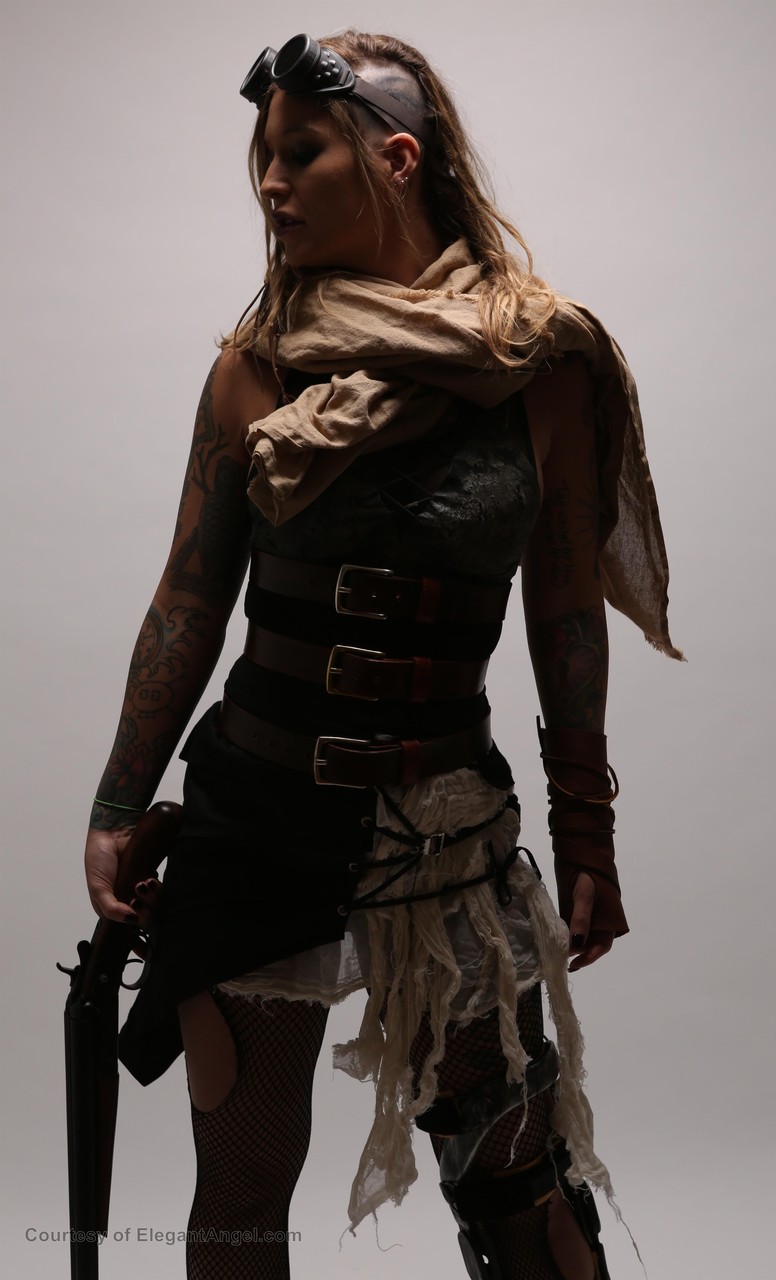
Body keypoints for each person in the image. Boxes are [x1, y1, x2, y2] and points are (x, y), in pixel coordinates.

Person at [83, 30, 680, 1280]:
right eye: (262, 155)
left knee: (516, 1177)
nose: (270, 182)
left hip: (446, 825)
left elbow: (564, 607)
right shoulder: (256, 368)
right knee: (243, 1186)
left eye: (300, 151)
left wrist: (587, 826)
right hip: (257, 818)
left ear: (397, 159)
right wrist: (119, 802)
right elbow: (189, 596)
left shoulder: (538, 362)